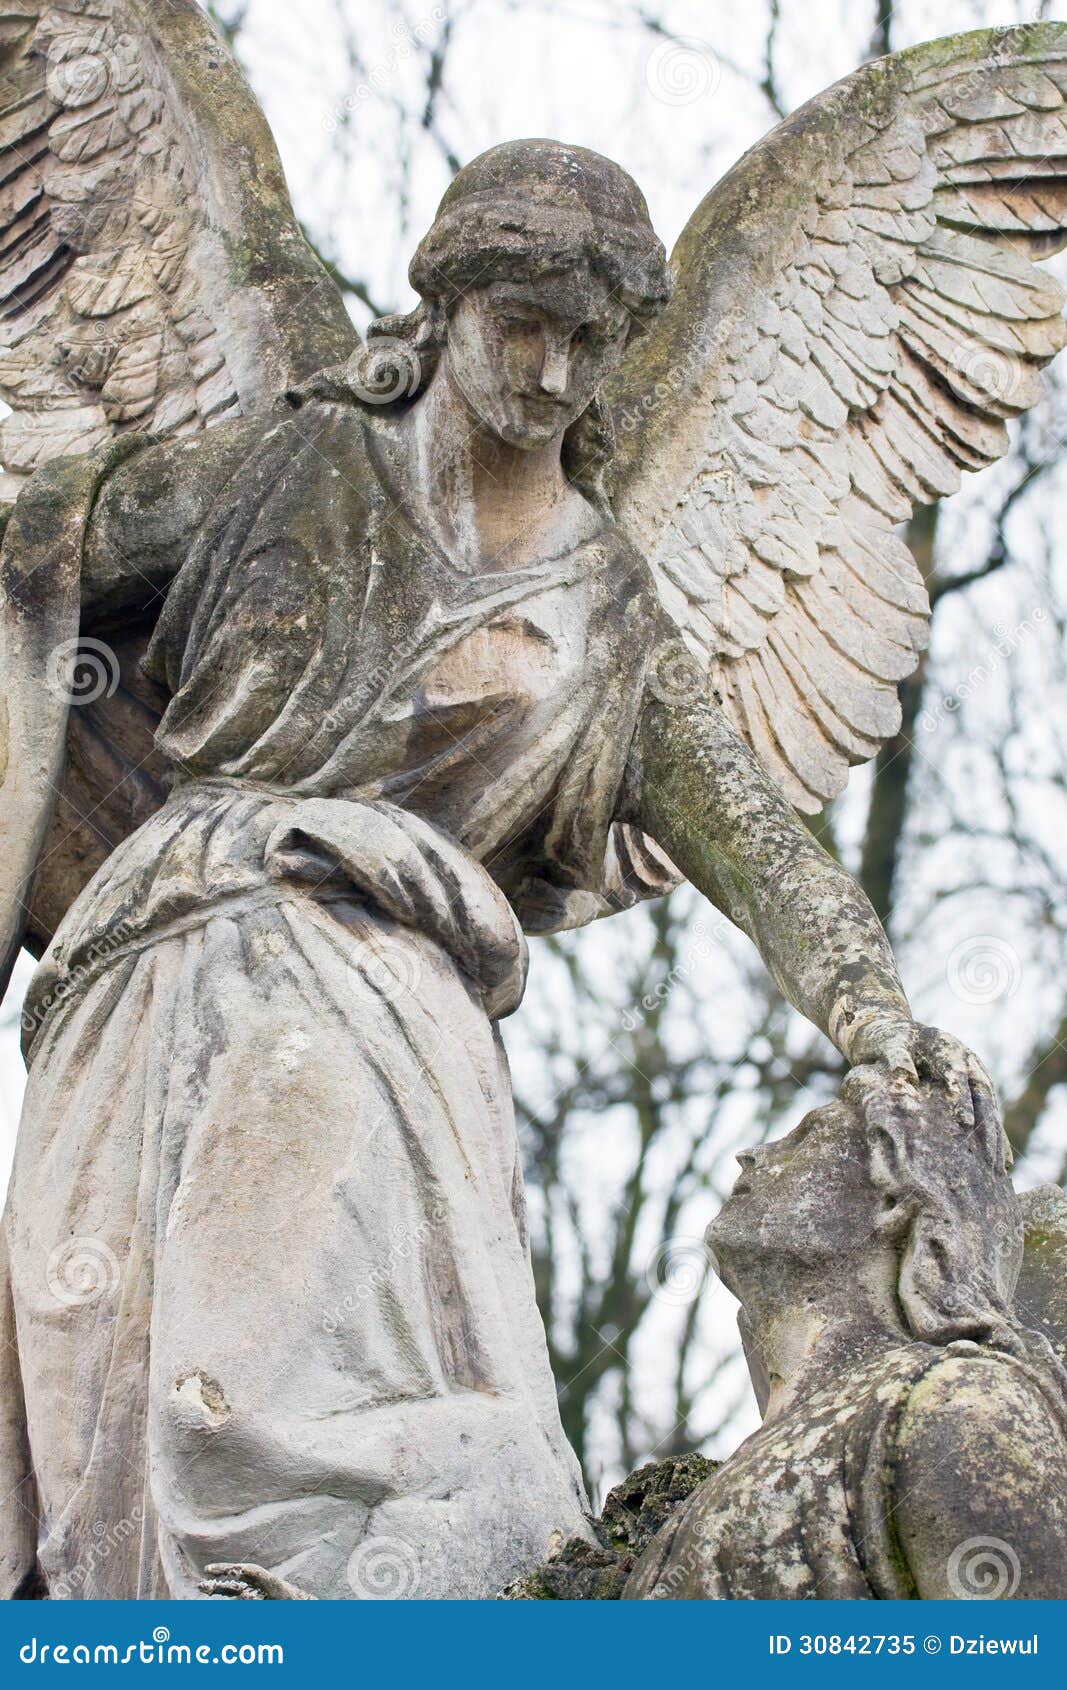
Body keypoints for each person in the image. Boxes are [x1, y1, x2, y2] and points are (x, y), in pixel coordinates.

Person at [0, 142, 993, 1600]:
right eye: (520, 322)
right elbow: (45, 553)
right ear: (443, 305)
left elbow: (763, 850)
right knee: (112, 1393)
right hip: (163, 958)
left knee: (316, 1391)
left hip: (389, 1011)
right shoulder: (297, 458)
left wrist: (873, 1013)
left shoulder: (606, 614)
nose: (549, 368)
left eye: (588, 339)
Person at [625, 1067, 1067, 1600]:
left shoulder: (957, 1401)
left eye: (807, 1136)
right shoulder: (726, 1481)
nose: (752, 1155)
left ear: (897, 1200)